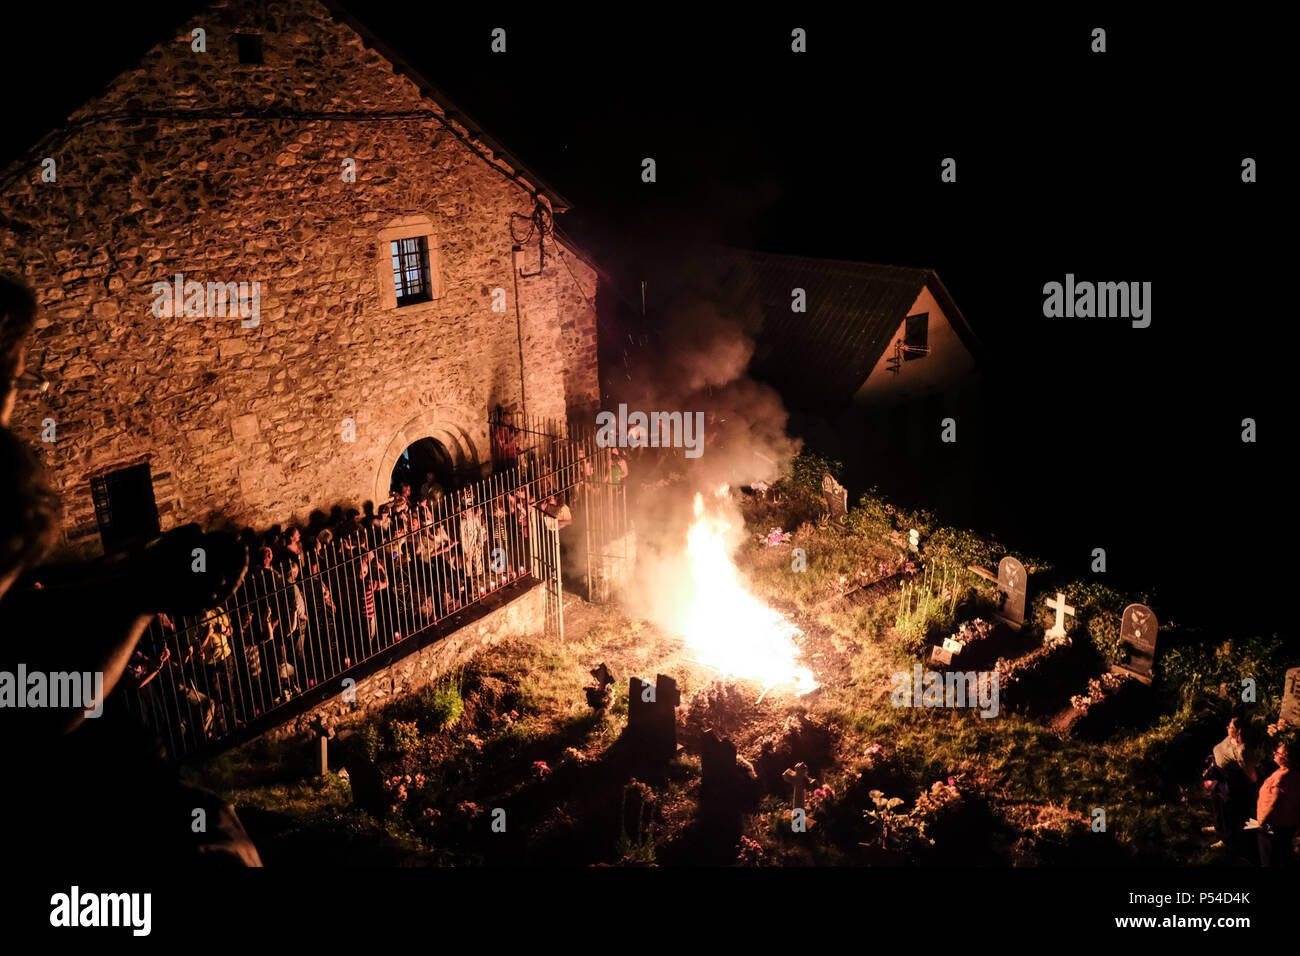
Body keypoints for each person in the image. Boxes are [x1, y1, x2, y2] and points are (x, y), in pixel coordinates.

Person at [1205, 717, 1258, 849]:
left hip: (1228, 782)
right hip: (1217, 776)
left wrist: (1253, 785)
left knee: (1226, 812)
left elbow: (1248, 769)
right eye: (1229, 725)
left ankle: (1226, 839)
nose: (1228, 728)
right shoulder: (1230, 738)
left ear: (1239, 731)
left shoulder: (1242, 749)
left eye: (1231, 727)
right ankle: (1218, 827)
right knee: (1216, 804)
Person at [1257, 737, 1300, 867]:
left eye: (1278, 752)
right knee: (1284, 855)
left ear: (1286, 757)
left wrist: (1262, 821)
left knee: (1271, 859)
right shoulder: (1293, 773)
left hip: (1274, 827)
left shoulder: (1282, 777)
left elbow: (1273, 802)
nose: (1275, 753)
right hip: (1288, 825)